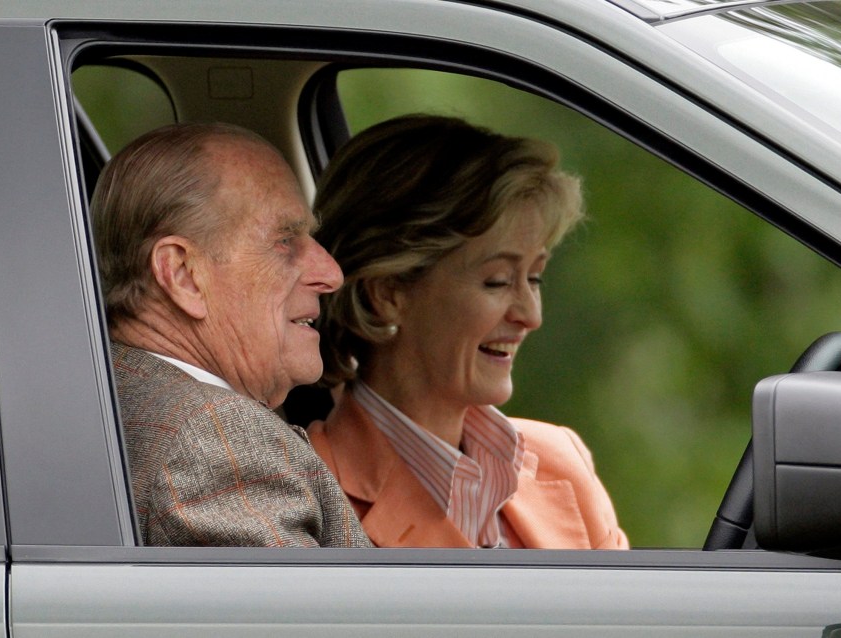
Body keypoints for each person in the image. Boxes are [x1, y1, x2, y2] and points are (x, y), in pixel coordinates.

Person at [308, 114, 628, 549]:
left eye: (534, 278)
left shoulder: (562, 463)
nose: (530, 315)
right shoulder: (309, 490)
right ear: (387, 292)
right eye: (497, 280)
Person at [91, 122, 371, 548]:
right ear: (183, 275)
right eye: (284, 240)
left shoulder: (110, 390)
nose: (331, 274)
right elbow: (327, 617)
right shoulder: (216, 441)